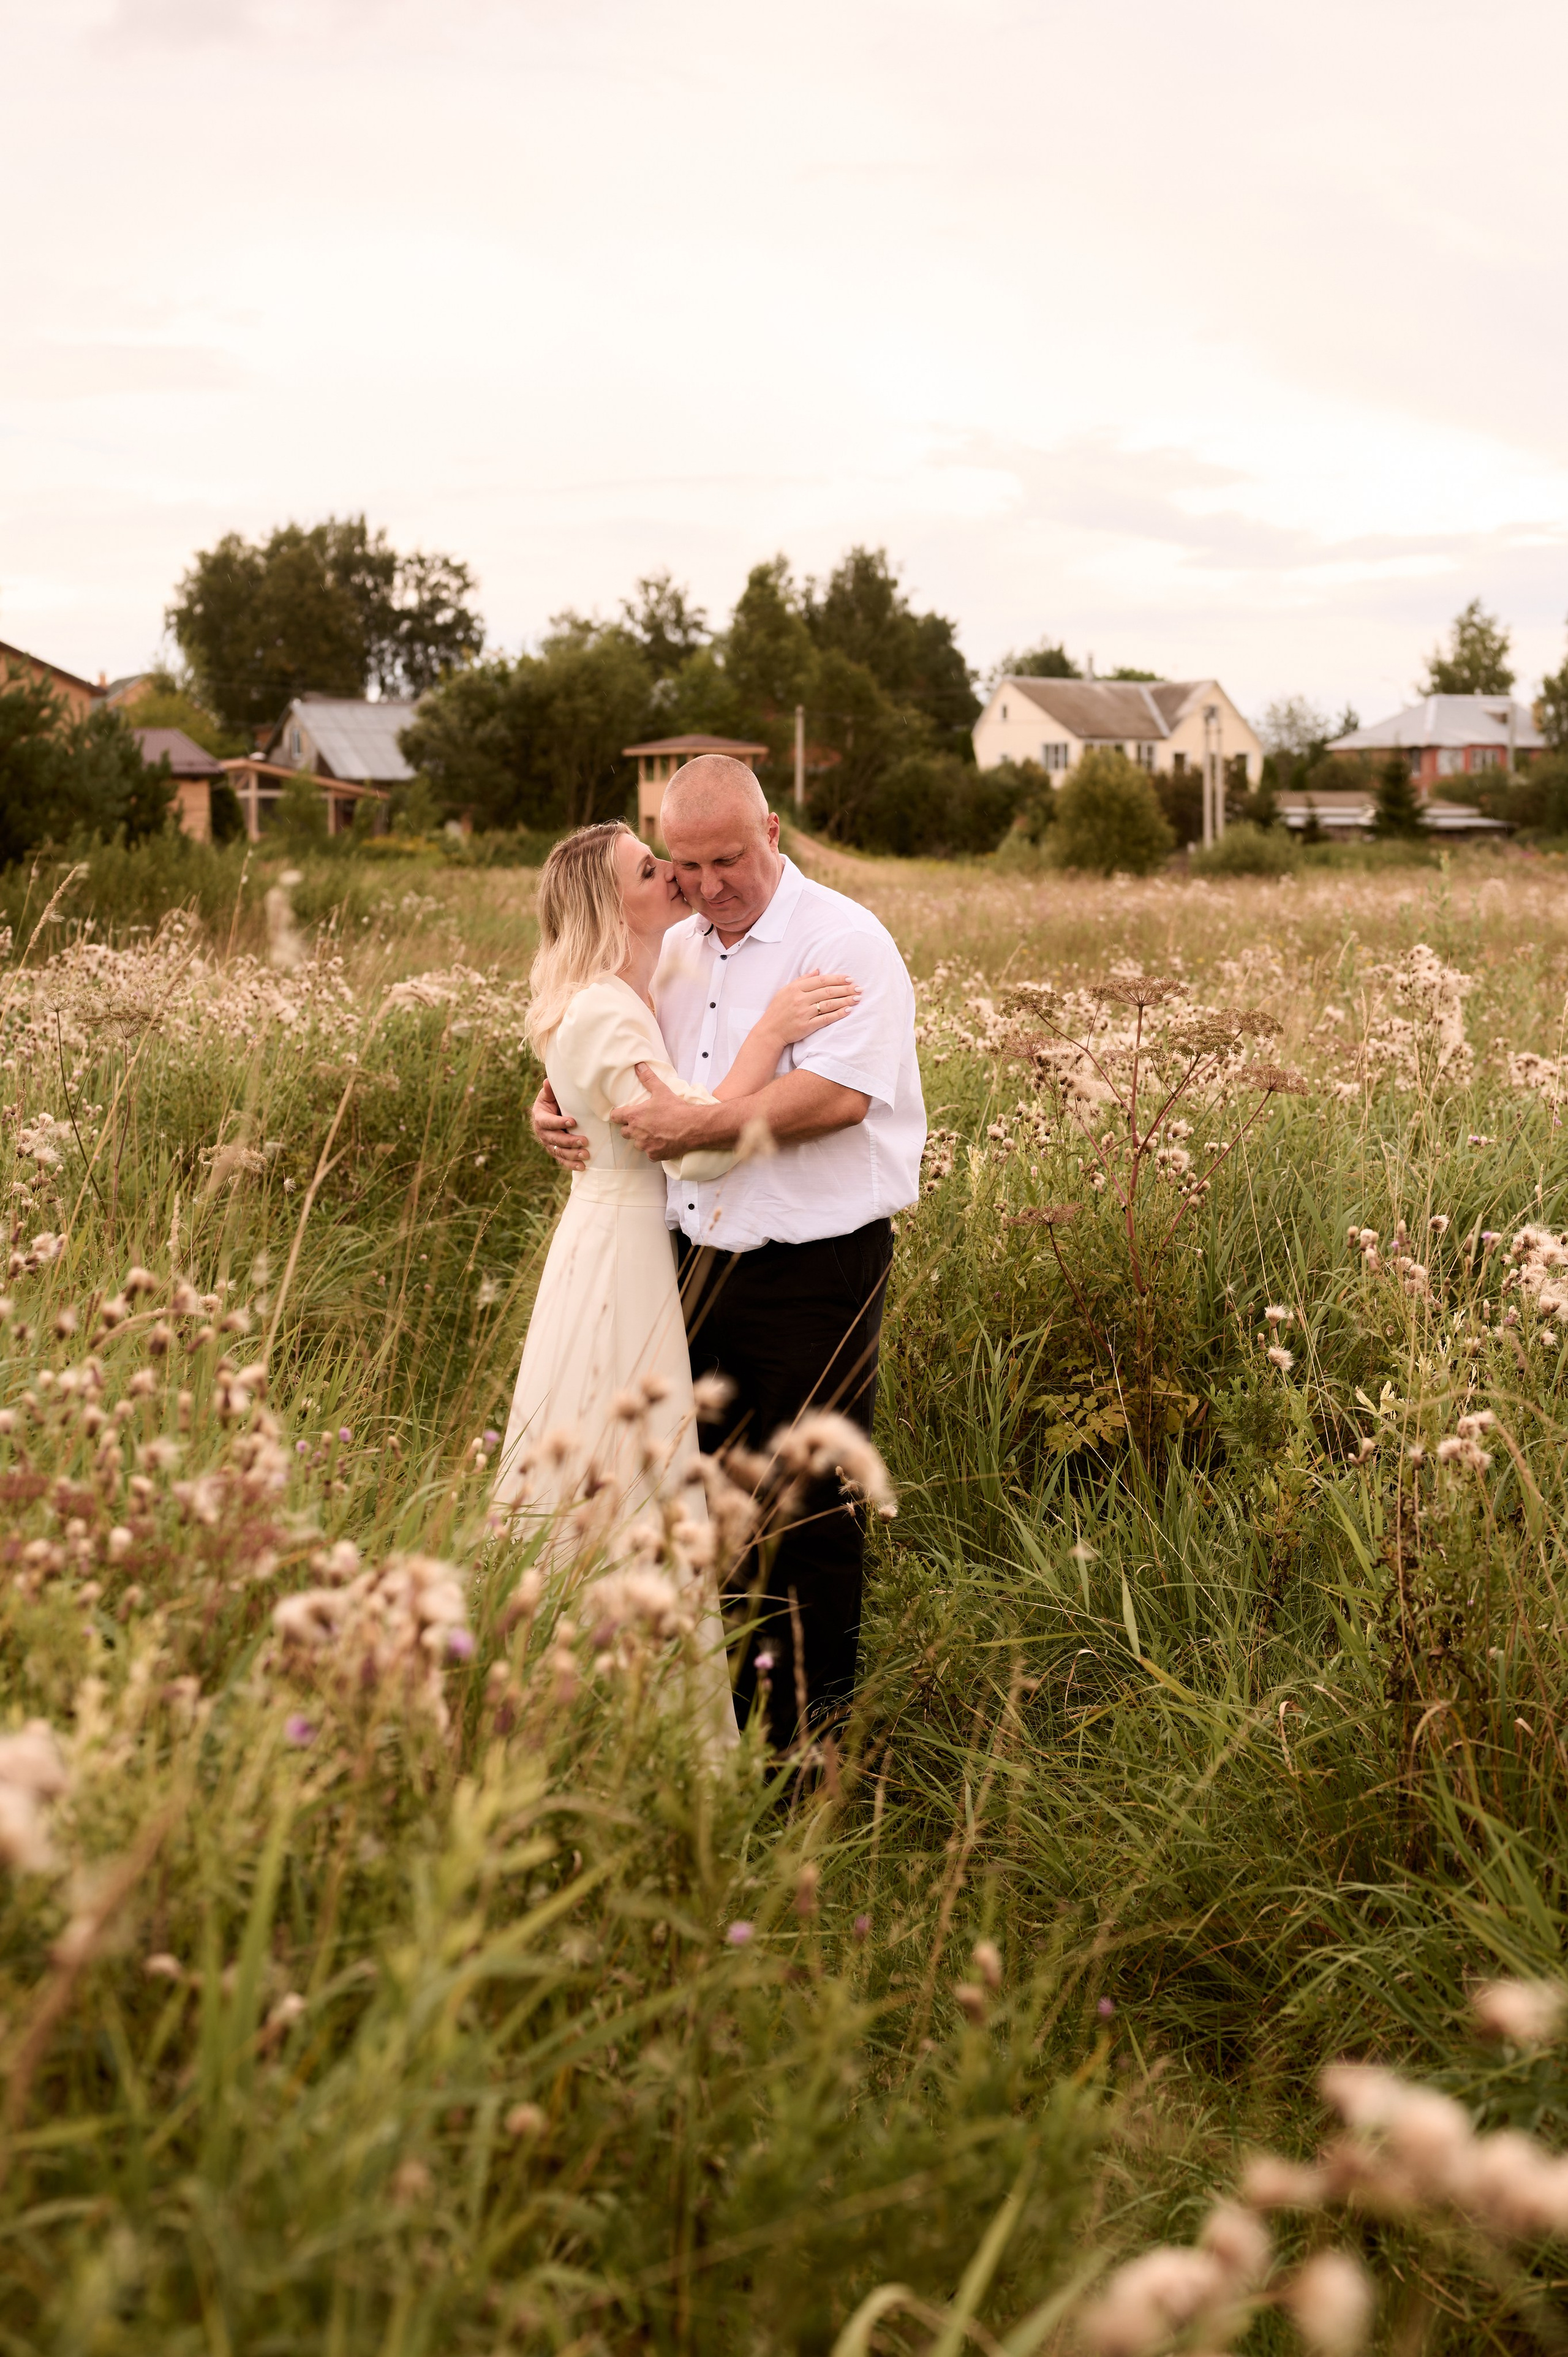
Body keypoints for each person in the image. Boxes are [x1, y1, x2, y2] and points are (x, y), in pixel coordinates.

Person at [531, 758, 925, 1748]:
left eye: (728, 860)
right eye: (686, 864)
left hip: (811, 1269)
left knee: (808, 1513)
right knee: (699, 1501)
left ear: (773, 832)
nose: (708, 885)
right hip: (681, 1265)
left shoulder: (843, 941)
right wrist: (556, 1102)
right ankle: (722, 1732)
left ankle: (807, 1761)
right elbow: (609, 1048)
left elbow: (838, 1097)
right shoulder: (670, 947)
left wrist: (698, 1127)